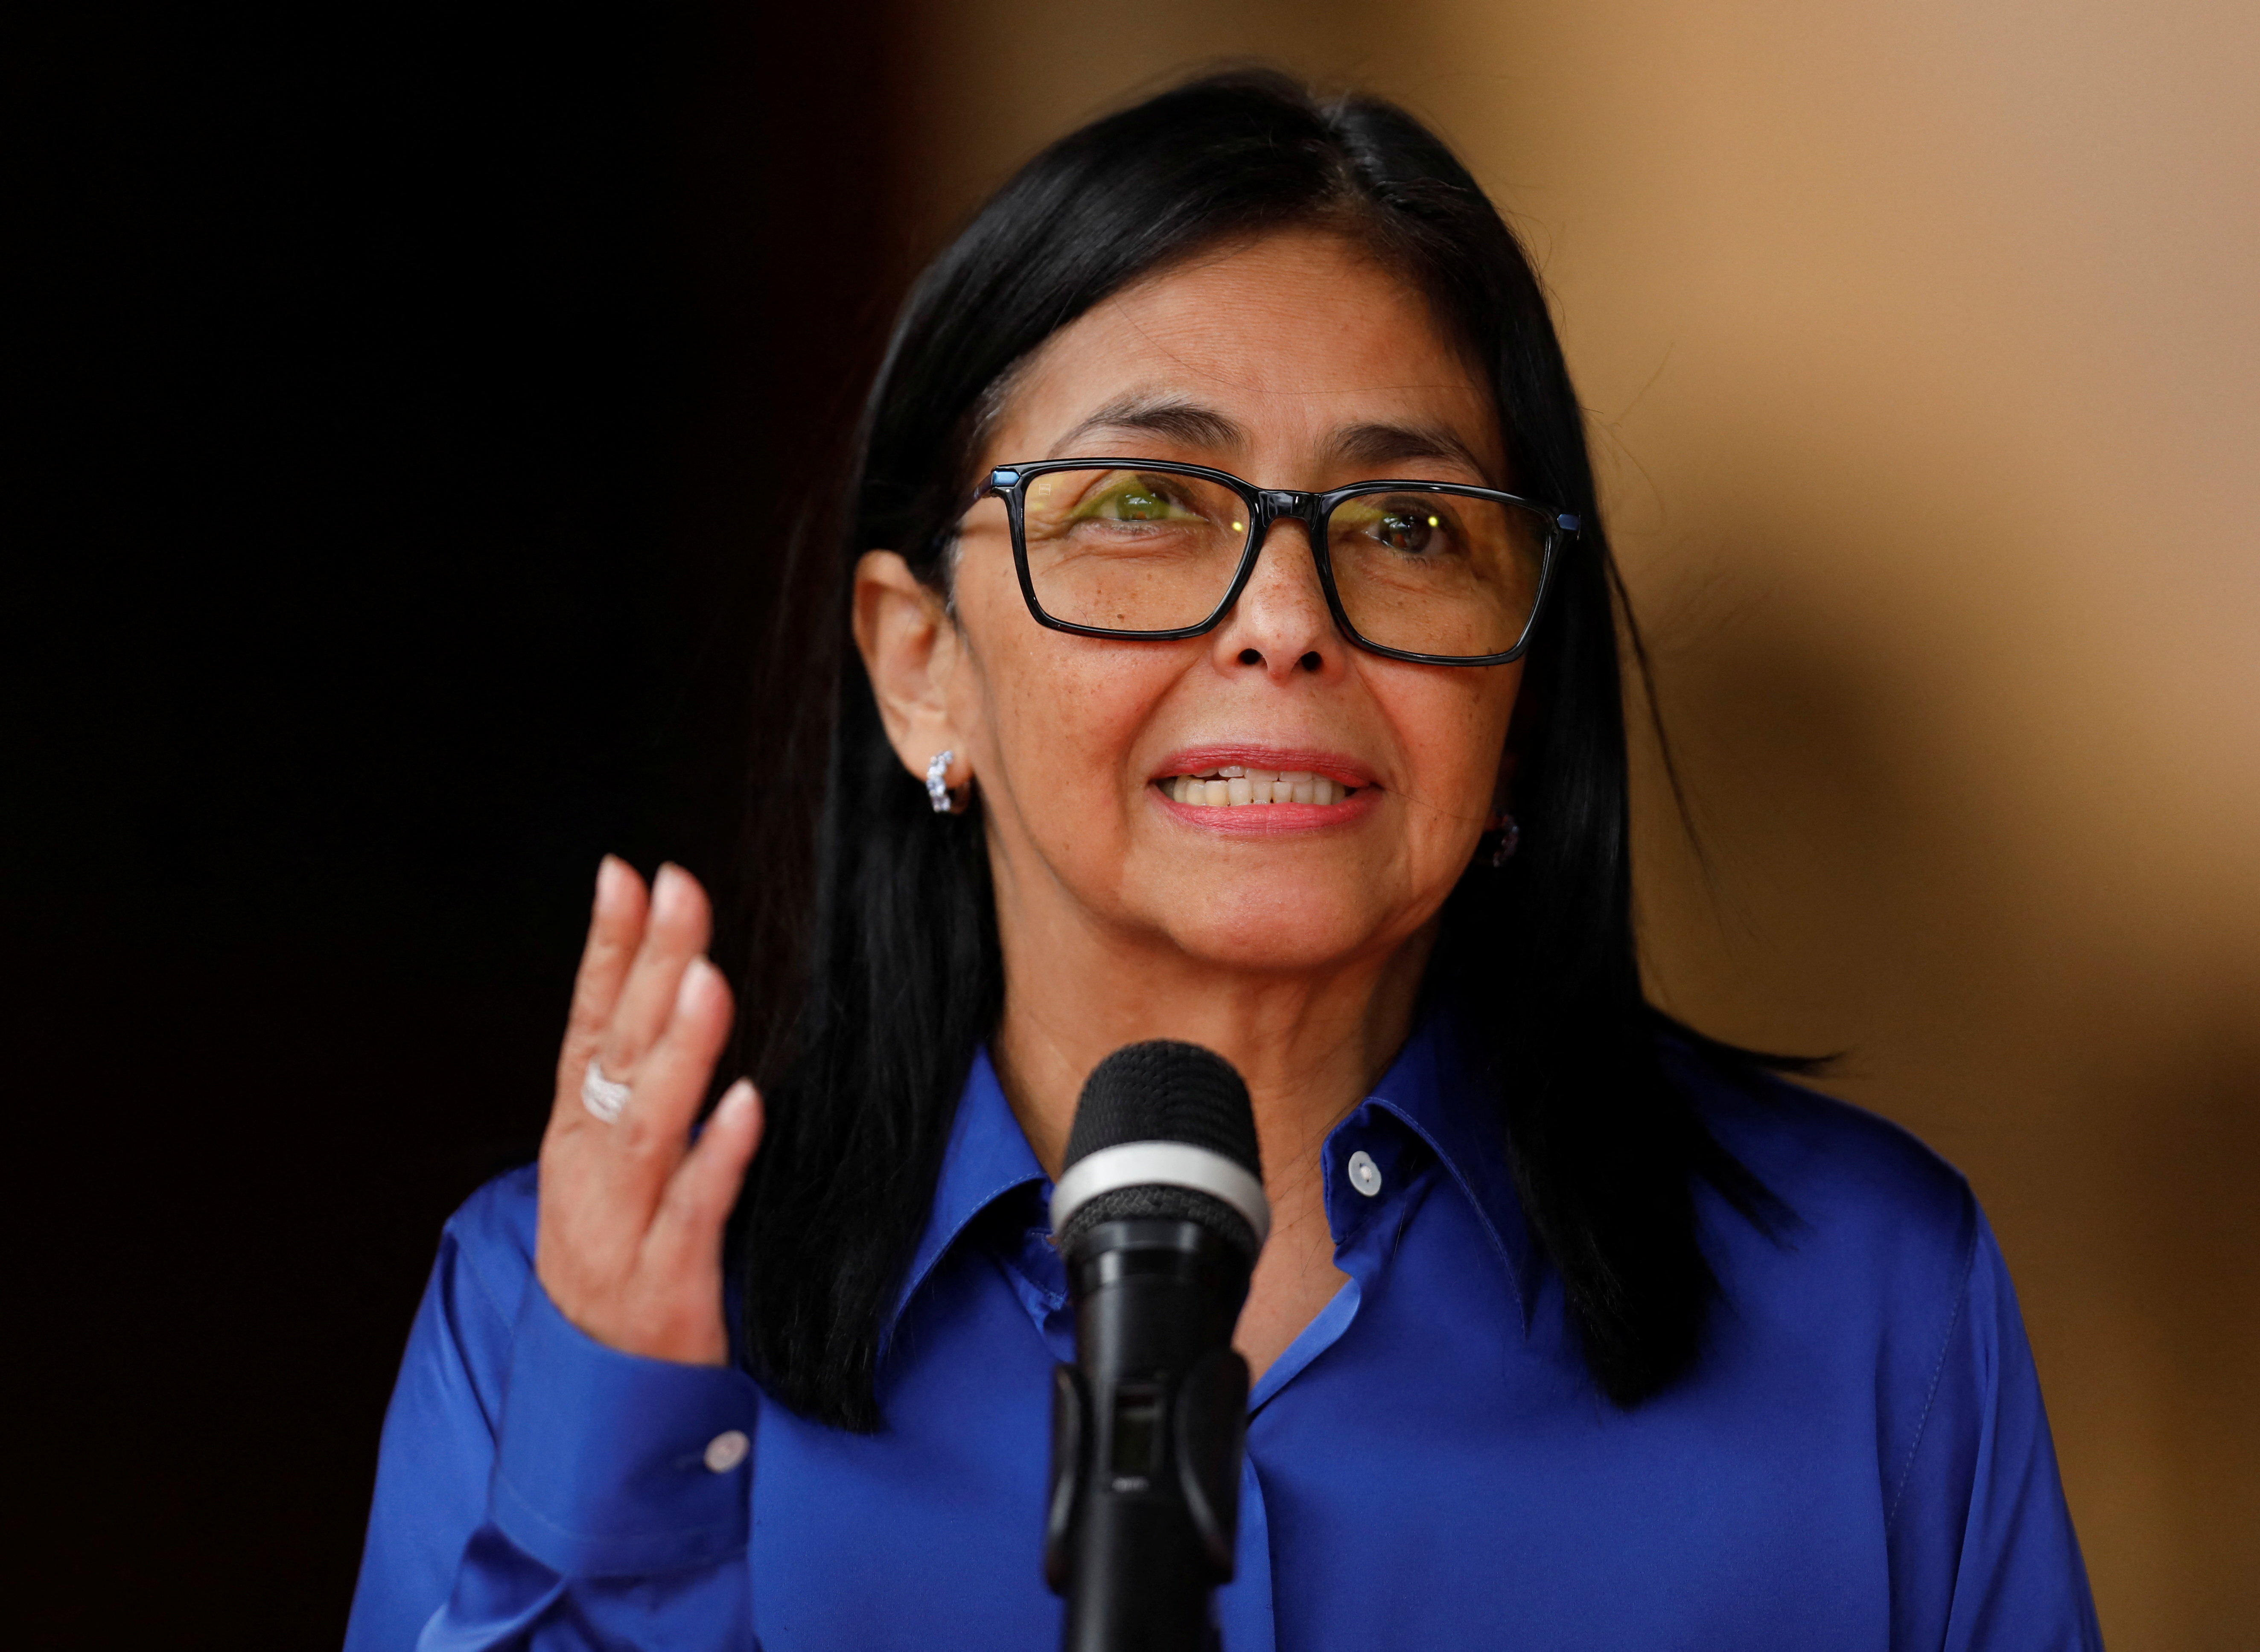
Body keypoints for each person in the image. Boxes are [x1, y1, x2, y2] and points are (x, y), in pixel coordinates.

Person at [344, 70, 2100, 1650]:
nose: (1284, 619)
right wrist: (625, 1493)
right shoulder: (571, 1317)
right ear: (919, 663)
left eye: (1407, 526)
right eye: (1141, 506)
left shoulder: (1864, 1299)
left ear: (1521, 697)